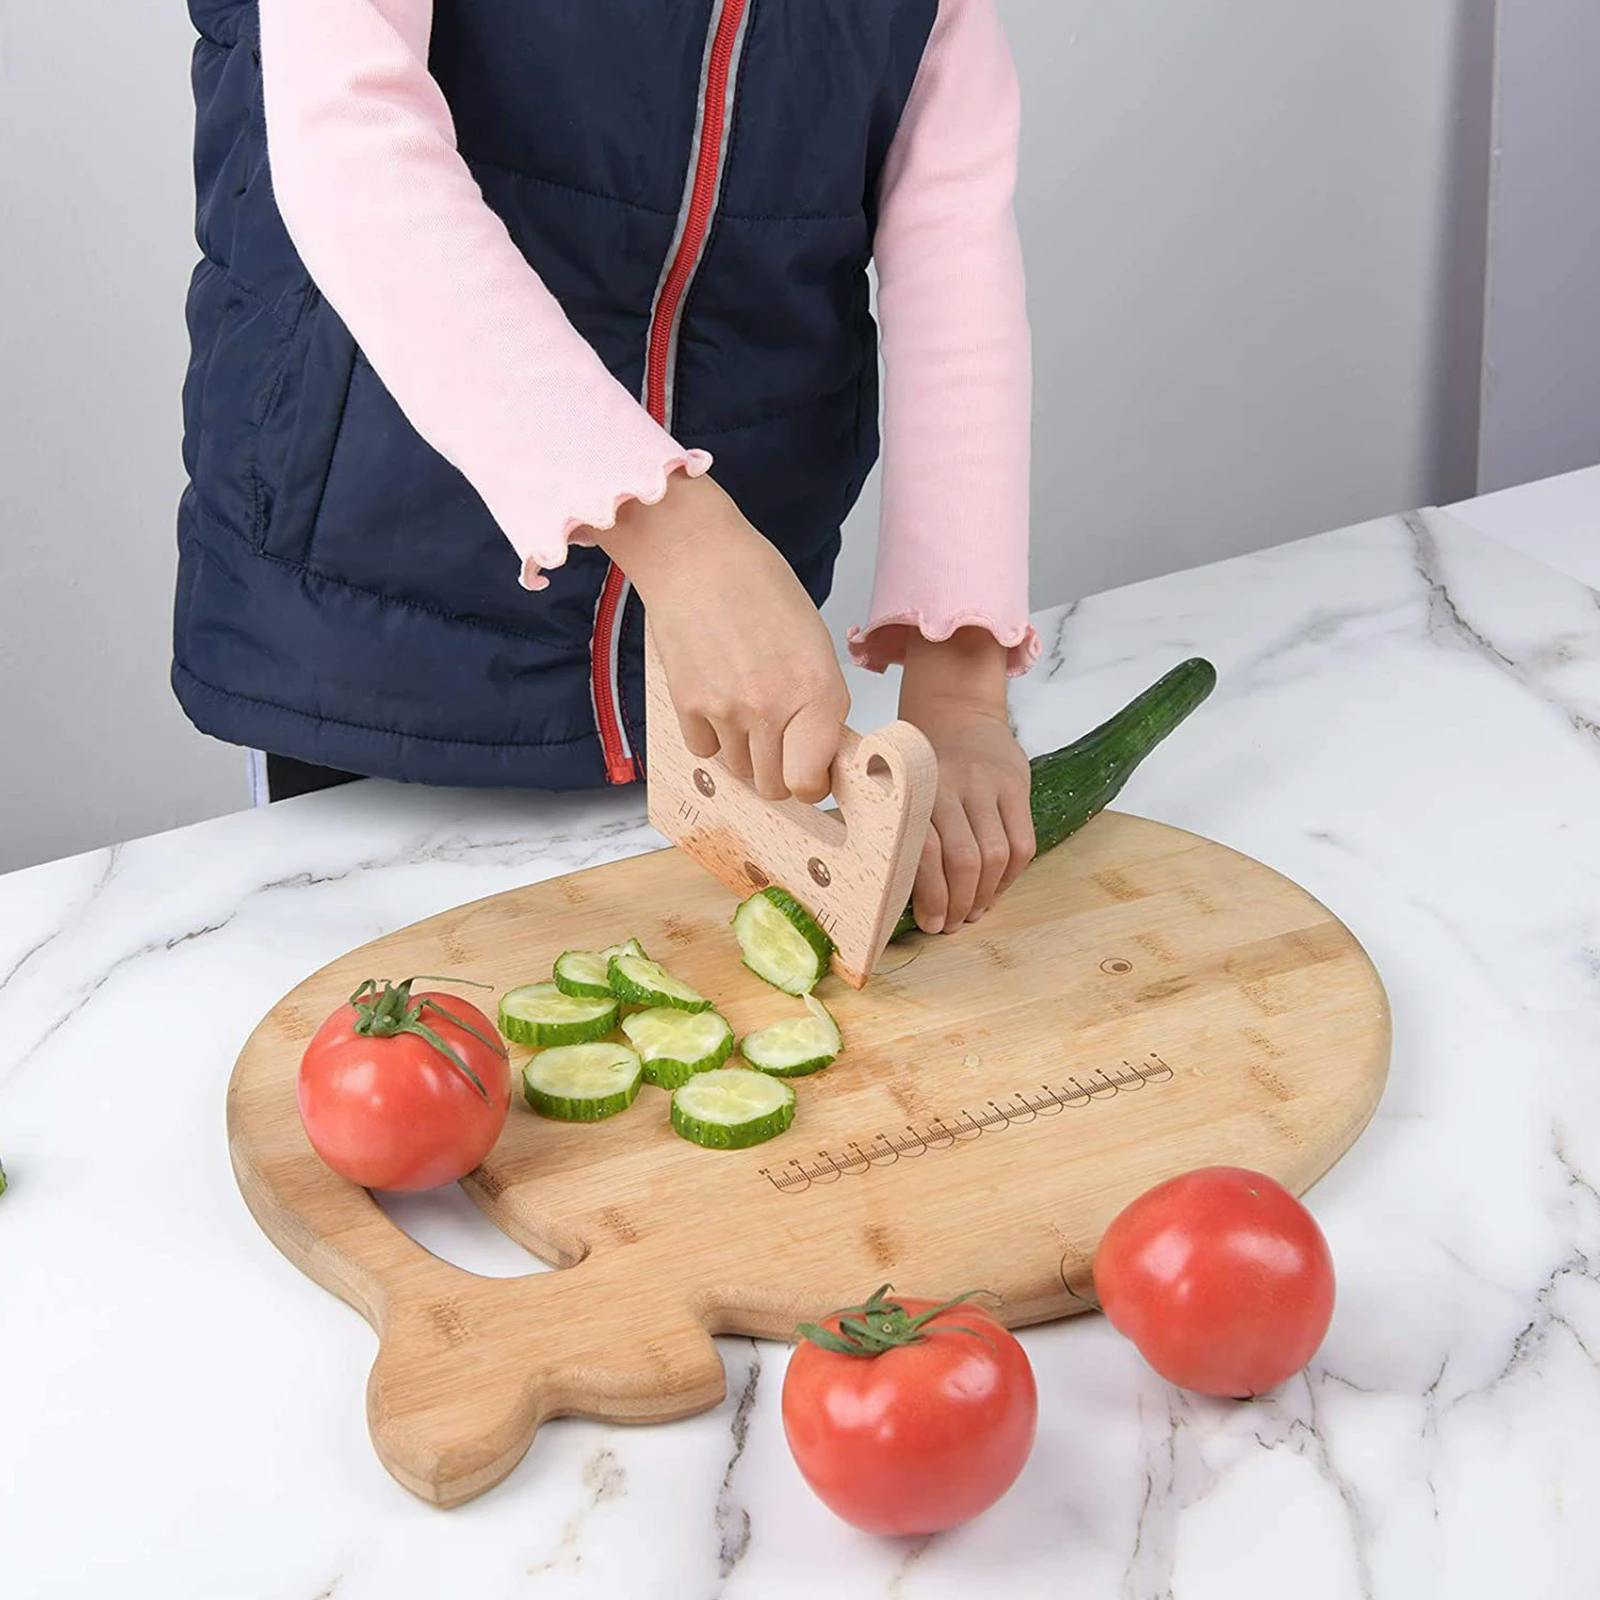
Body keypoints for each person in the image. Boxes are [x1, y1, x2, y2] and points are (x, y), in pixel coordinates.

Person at [175, 0, 1039, 932]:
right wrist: (684, 547)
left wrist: (961, 687)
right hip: (370, 628)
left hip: (720, 682)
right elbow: (351, 139)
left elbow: (949, 232)